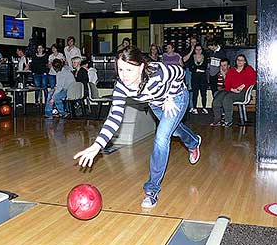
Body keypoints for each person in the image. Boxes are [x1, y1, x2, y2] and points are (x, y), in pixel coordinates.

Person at [74, 46, 201, 209]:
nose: (124, 75)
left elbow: (179, 72)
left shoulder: (157, 71)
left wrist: (171, 95)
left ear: (141, 67)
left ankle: (152, 190)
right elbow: (114, 117)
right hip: (155, 103)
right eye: (120, 69)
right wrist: (97, 145)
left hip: (177, 98)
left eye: (129, 69)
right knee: (174, 130)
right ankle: (193, 142)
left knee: (162, 138)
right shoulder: (120, 86)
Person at [210, 54, 257, 127]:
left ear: (245, 62)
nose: (239, 61)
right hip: (231, 90)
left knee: (227, 98)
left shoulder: (248, 69)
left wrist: (243, 85)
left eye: (241, 60)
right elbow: (227, 83)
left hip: (242, 92)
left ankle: (228, 121)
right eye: (238, 60)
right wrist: (232, 89)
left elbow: (253, 79)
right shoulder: (232, 70)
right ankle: (217, 119)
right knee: (217, 99)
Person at [188, 45, 209, 115]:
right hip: (195, 77)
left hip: (203, 78)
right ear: (194, 50)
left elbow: (205, 67)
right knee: (195, 93)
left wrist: (196, 69)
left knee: (203, 93)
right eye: (197, 49)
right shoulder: (192, 57)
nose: (198, 51)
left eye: (200, 49)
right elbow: (191, 67)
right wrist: (198, 69)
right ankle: (194, 108)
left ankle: (204, 108)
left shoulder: (205, 57)